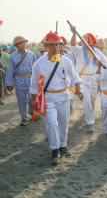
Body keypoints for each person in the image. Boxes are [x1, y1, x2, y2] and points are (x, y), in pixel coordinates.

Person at [30, 32, 82, 165]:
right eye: (51, 45)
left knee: (64, 123)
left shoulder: (66, 60)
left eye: (57, 44)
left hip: (64, 96)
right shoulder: (38, 63)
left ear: (60, 45)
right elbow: (34, 83)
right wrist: (34, 100)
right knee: (52, 123)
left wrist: (78, 89)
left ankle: (63, 146)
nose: (54, 48)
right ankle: (54, 150)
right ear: (46, 45)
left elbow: (74, 75)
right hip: (48, 98)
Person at [69, 25, 107, 131]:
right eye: (87, 43)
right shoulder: (78, 50)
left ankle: (87, 116)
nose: (89, 45)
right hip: (81, 79)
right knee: (86, 100)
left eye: (91, 44)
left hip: (94, 80)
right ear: (83, 42)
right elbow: (72, 45)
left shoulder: (97, 51)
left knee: (91, 101)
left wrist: (101, 64)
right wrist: (73, 33)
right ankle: (90, 123)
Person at [5, 36, 37, 126]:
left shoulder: (31, 54)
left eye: (24, 43)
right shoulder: (12, 57)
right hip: (19, 80)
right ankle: (24, 118)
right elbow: (10, 71)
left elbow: (36, 68)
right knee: (21, 100)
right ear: (16, 45)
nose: (23, 45)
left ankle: (31, 110)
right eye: (20, 43)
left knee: (32, 98)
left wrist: (38, 79)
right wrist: (9, 83)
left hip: (30, 79)